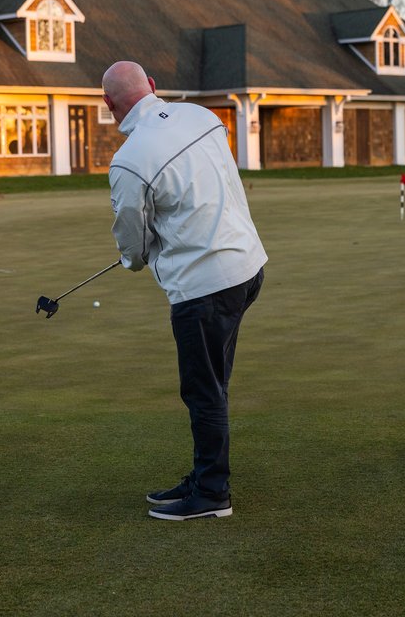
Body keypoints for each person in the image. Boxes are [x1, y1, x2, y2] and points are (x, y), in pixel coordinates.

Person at [101, 60, 267, 520]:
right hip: (248, 268)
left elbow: (132, 243)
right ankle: (204, 474)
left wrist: (136, 257)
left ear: (109, 104)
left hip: (204, 286)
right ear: (153, 86)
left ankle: (212, 493)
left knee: (203, 390)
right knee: (213, 385)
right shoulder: (201, 114)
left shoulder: (129, 160)